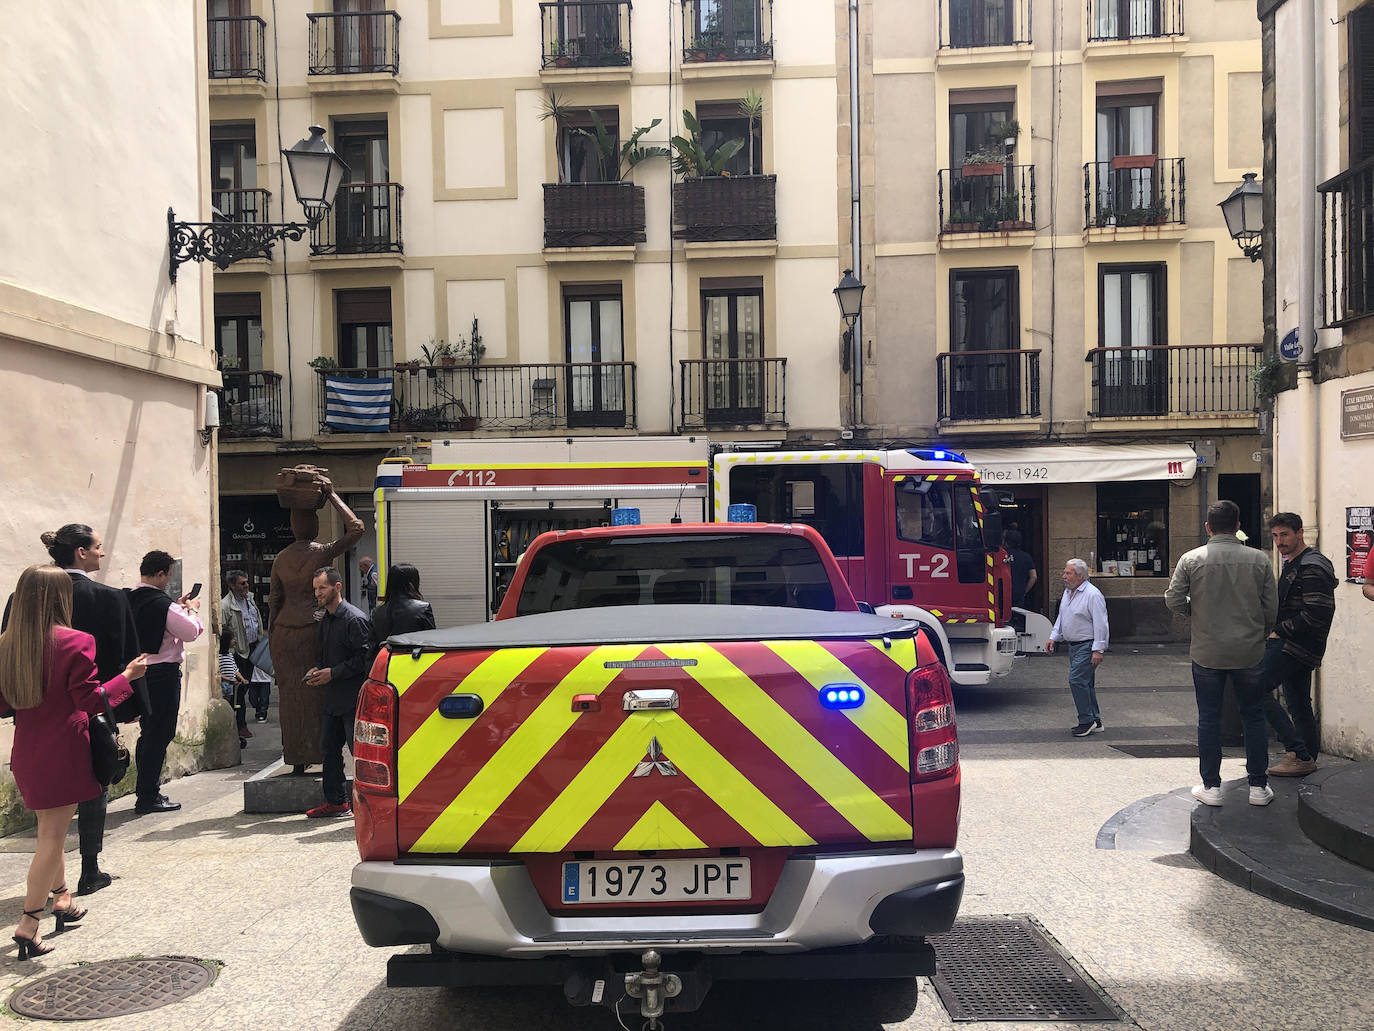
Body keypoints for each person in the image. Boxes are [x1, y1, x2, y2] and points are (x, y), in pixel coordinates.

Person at [0, 566, 148, 959]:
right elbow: (88, 700)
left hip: (27, 749)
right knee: (51, 840)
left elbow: (2, 706)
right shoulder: (75, 641)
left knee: (49, 828)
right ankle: (29, 924)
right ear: (59, 597)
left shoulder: (6, 644)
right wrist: (128, 677)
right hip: (65, 747)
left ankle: (63, 898)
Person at [1165, 500, 1278, 807]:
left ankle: (1211, 786)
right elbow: (1271, 608)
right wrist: (1258, 629)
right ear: (1237, 526)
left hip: (1207, 649)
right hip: (1249, 650)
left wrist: (1194, 611)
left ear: (1208, 527)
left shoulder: (1191, 559)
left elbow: (1174, 599)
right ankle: (1258, 785)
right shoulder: (1259, 560)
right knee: (1253, 716)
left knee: (1209, 718)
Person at [268, 476, 365, 772]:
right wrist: (333, 495)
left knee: (291, 697)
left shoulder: (280, 558)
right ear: (313, 526)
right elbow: (356, 528)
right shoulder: (320, 552)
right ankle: (323, 755)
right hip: (312, 630)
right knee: (318, 695)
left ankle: (297, 759)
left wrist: (272, 641)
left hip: (284, 633)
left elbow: (274, 601)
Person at [126, 551, 203, 815]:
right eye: (168, 574)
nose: (168, 579)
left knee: (148, 732)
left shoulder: (129, 598)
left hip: (138, 672)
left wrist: (175, 607)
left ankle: (144, 789)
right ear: (161, 574)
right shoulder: (164, 604)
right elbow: (190, 632)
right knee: (160, 733)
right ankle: (148, 795)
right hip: (163, 675)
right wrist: (192, 611)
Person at [1262, 512, 1337, 777]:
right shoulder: (1295, 562)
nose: (1279, 541)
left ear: (1299, 533)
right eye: (1275, 536)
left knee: (1254, 686)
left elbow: (1317, 612)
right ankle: (1306, 760)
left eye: (1284, 535)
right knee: (1298, 703)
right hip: (1299, 645)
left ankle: (1299, 753)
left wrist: (1278, 631)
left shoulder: (1311, 565)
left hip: (1295, 645)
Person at [305, 567, 372, 819]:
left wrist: (333, 672)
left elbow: (364, 660)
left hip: (353, 698)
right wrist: (318, 669)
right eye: (315, 588)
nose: (318, 593)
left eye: (322, 587)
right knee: (328, 750)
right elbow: (325, 654)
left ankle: (367, 804)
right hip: (332, 698)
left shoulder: (354, 619)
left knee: (360, 753)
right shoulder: (326, 619)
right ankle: (336, 802)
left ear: (337, 587)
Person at [1045, 558, 1110, 737]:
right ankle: (1095, 720)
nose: (1064, 576)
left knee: (1076, 680)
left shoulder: (1093, 595)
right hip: (1074, 645)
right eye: (1065, 572)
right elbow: (1062, 616)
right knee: (1086, 683)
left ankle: (1086, 720)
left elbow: (1101, 623)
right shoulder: (1068, 592)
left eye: (1068, 573)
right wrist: (1054, 636)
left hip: (1087, 645)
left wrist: (1098, 649)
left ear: (1080, 576)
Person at [221, 569, 266, 725]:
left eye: (247, 582)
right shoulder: (225, 606)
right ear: (232, 585)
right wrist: (231, 652)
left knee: (247, 686)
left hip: (253, 647)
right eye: (242, 583)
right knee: (239, 688)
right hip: (239, 652)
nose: (246, 585)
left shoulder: (250, 599)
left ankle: (240, 722)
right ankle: (239, 724)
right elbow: (224, 631)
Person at [369, 563, 436, 656]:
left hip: (387, 664)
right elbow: (431, 643)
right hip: (414, 663)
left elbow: (372, 649)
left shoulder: (376, 613)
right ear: (413, 583)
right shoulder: (422, 608)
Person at [218, 628, 249, 749]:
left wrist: (242, 679)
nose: (234, 641)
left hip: (232, 685)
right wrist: (229, 679)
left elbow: (235, 669)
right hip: (226, 683)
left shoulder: (230, 656)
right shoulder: (219, 656)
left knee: (233, 705)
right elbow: (218, 672)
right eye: (232, 639)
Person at [1003, 529, 1038, 609]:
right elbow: (1034, 576)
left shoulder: (1001, 556)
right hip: (1018, 596)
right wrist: (1024, 591)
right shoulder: (1026, 557)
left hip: (1002, 595)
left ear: (1005, 542)